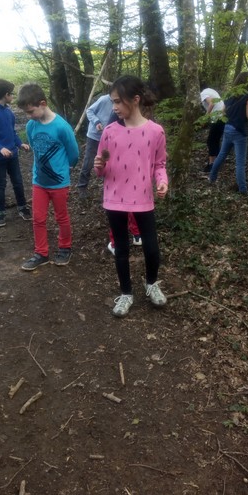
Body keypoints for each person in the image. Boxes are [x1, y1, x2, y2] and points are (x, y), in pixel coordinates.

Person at [94, 75, 168, 318]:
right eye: (112, 102)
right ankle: (126, 293)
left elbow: (159, 164)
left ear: (135, 100)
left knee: (151, 247)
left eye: (118, 101)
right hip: (114, 197)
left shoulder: (155, 132)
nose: (114, 107)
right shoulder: (109, 132)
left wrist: (162, 182)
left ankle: (151, 283)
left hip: (143, 198)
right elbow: (101, 169)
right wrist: (98, 166)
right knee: (121, 248)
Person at [17, 83, 79, 271]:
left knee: (61, 217)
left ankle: (65, 248)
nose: (29, 116)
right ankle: (41, 253)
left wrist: (65, 168)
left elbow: (73, 153)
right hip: (39, 181)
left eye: (31, 111)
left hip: (59, 183)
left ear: (42, 104)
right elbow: (35, 149)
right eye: (26, 113)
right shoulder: (31, 126)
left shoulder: (61, 127)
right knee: (38, 218)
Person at [0, 78, 31, 227]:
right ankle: (0, 212)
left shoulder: (9, 112)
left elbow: (12, 132)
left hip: (13, 155)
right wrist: (0, 148)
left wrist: (19, 144)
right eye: (11, 94)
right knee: (0, 184)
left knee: (18, 181)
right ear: (6, 95)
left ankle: (22, 206)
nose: (12, 96)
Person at [209, 71, 248, 196]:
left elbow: (223, 112)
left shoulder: (230, 94)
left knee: (221, 155)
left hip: (228, 128)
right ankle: (243, 190)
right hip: (240, 132)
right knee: (240, 163)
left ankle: (212, 178)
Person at [77, 93, 113, 198]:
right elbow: (89, 111)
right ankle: (82, 187)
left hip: (109, 138)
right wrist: (96, 122)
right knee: (88, 161)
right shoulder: (104, 99)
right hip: (94, 136)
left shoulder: (122, 102)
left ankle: (108, 188)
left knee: (108, 162)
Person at [200, 82, 225, 172]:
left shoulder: (203, 93)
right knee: (215, 140)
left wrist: (205, 118)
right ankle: (217, 164)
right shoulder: (211, 91)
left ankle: (212, 164)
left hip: (218, 117)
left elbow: (212, 103)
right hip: (223, 116)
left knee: (211, 141)